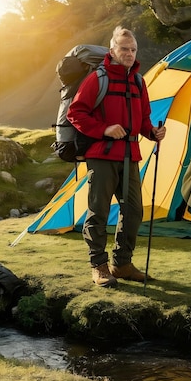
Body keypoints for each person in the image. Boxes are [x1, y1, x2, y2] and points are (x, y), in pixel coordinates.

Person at [67, 26, 166, 288]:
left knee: (133, 211)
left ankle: (121, 264)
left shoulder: (139, 81)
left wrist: (153, 132)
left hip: (131, 155)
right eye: (124, 49)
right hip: (101, 156)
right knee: (98, 212)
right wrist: (104, 129)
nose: (130, 53)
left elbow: (143, 119)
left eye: (133, 49)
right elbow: (76, 113)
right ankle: (98, 266)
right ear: (112, 50)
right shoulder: (97, 79)